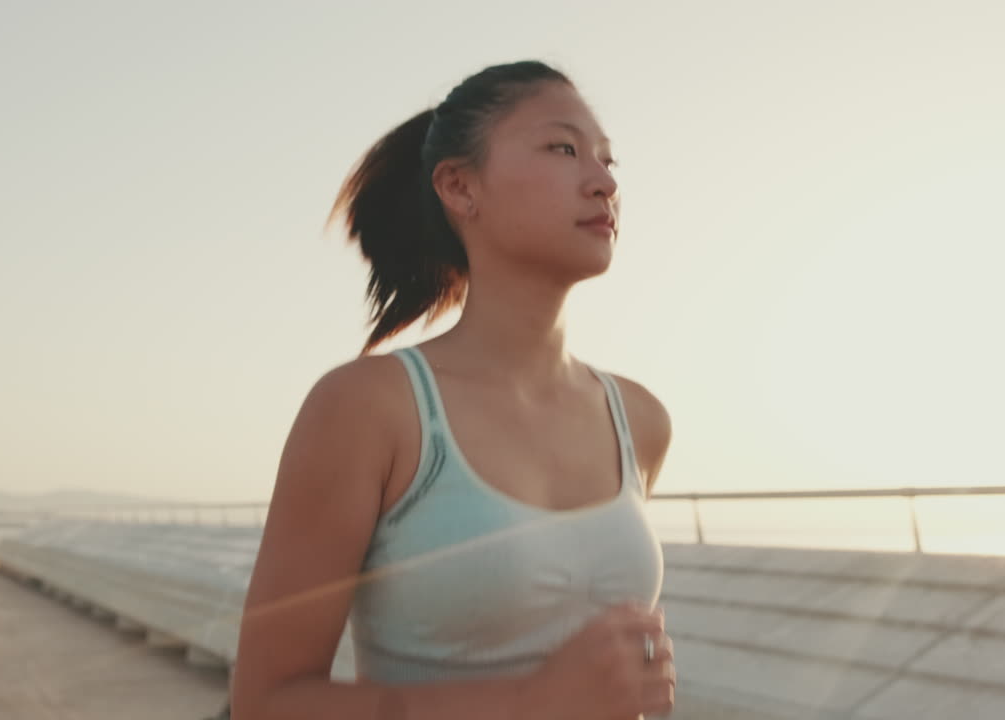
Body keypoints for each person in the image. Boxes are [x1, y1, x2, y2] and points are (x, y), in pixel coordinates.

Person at [232, 60, 676, 720]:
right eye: (564, 148)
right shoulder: (370, 408)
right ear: (460, 187)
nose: (604, 181)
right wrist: (530, 702)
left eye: (609, 160)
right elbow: (266, 702)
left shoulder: (639, 419)